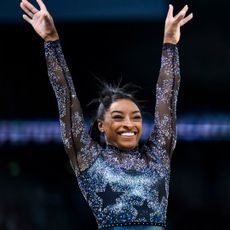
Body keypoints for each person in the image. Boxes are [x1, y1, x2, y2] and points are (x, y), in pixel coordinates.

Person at [20, 0, 193, 229]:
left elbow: (167, 97)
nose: (129, 124)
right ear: (101, 125)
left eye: (136, 117)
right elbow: (65, 95)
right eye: (118, 117)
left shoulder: (158, 157)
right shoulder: (89, 158)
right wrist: (51, 41)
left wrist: (170, 44)